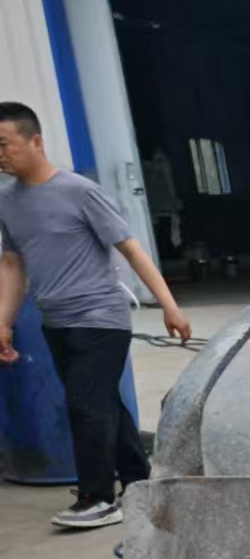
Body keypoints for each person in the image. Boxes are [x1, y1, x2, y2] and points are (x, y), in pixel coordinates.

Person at [0, 102, 191, 530]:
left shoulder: (79, 191)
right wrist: (3, 321)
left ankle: (97, 498)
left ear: (36, 141)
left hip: (101, 318)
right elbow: (12, 264)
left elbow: (130, 248)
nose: (0, 155)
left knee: (86, 405)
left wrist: (169, 306)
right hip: (56, 322)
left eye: (4, 144)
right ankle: (140, 481)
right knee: (104, 404)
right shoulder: (6, 201)